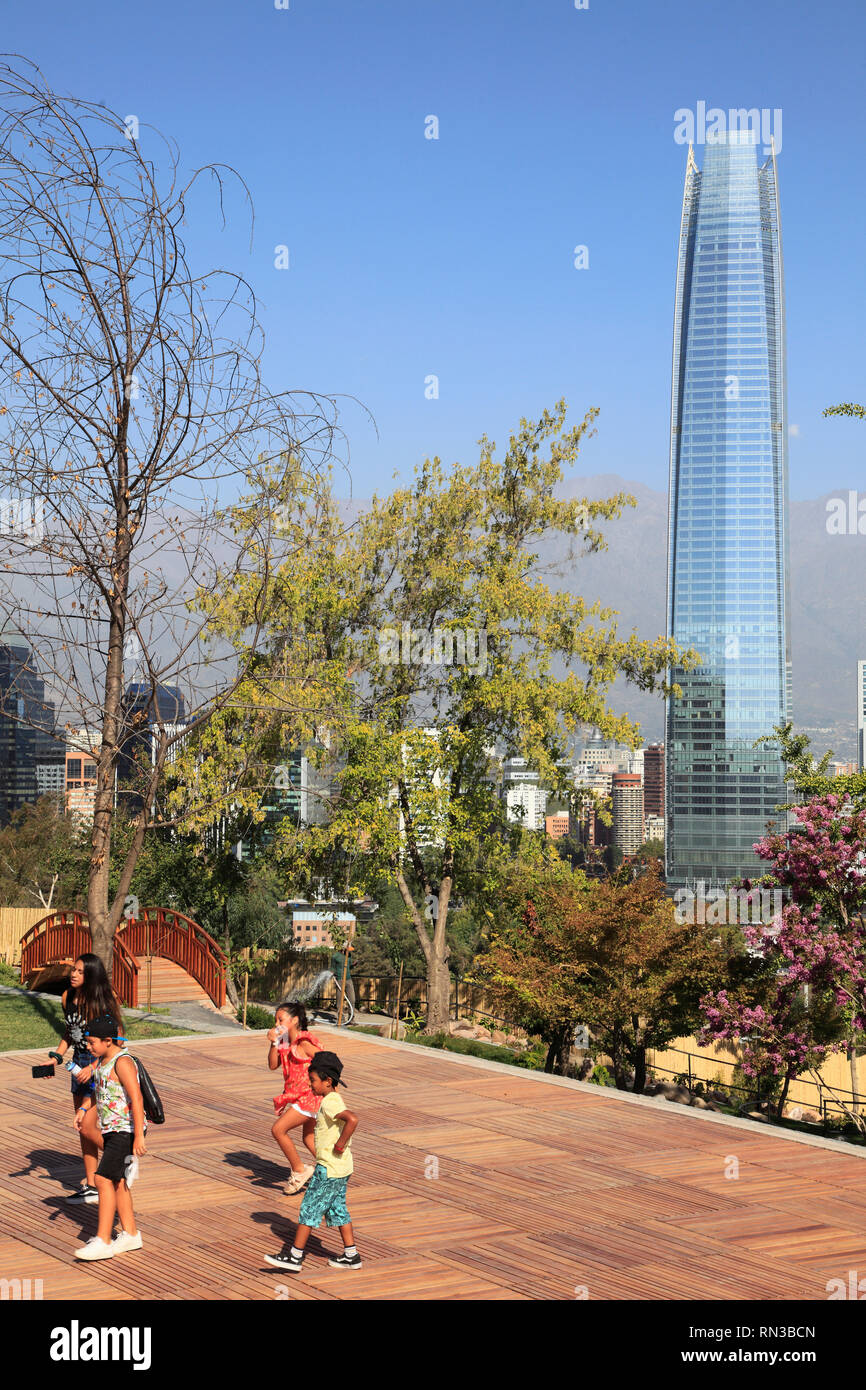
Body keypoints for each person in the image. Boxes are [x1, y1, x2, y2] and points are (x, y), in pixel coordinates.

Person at [264, 1050, 361, 1273]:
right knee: (338, 1209)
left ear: (328, 1081)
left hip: (328, 1169)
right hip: (342, 1168)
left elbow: (352, 1119)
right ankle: (351, 1255)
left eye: (313, 1080)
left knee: (309, 1209)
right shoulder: (333, 1098)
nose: (311, 1085)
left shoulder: (329, 1103)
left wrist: (340, 1143)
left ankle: (295, 1257)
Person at [45, 954, 124, 1205]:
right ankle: (91, 1184)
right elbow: (71, 1031)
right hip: (77, 1063)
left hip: (99, 1063)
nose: (73, 974)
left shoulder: (103, 1000)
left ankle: (121, 1162)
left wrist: (93, 1066)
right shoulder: (68, 997)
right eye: (73, 970)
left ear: (91, 975)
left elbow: (119, 1040)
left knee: (90, 1125)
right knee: (82, 1126)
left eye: (79, 971)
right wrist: (56, 1057)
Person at [72, 1016, 147, 1261]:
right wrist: (83, 1110)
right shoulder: (103, 1062)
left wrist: (138, 1137)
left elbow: (137, 1099)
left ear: (107, 1040)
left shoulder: (122, 1062)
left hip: (125, 1129)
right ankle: (131, 1234)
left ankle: (103, 1240)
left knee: (102, 1178)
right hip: (111, 1129)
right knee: (116, 1181)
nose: (89, 1047)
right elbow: (98, 1092)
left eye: (92, 1043)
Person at [267, 1001, 323, 1194]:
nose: (276, 1024)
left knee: (278, 1129)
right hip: (299, 1098)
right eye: (275, 1020)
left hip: (309, 1097)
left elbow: (326, 1061)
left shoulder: (304, 1043)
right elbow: (273, 1065)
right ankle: (333, 1171)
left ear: (295, 1020)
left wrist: (323, 1088)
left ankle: (300, 1170)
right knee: (308, 1138)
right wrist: (274, 1042)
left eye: (280, 1020)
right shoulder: (284, 1041)